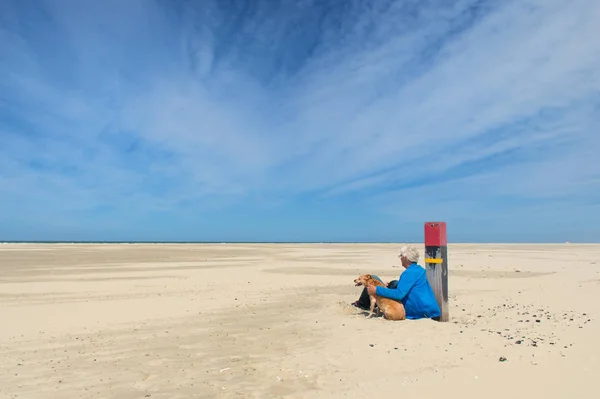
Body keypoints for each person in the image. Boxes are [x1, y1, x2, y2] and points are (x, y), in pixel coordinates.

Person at [353, 245, 441, 320]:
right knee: (394, 283)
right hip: (430, 310)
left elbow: (399, 294)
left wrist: (377, 290)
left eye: (401, 256)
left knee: (373, 280)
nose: (400, 259)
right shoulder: (420, 270)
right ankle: (370, 303)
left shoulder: (408, 273)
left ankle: (361, 305)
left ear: (405, 258)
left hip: (418, 312)